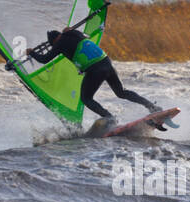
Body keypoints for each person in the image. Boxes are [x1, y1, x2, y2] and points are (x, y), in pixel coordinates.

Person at [25, 27, 161, 127]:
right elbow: (74, 33)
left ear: (54, 42)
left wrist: (32, 53)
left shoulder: (60, 43)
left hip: (95, 69)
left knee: (86, 98)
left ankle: (109, 117)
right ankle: (151, 106)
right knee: (121, 92)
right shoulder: (75, 33)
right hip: (107, 63)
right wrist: (69, 30)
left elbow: (44, 59)